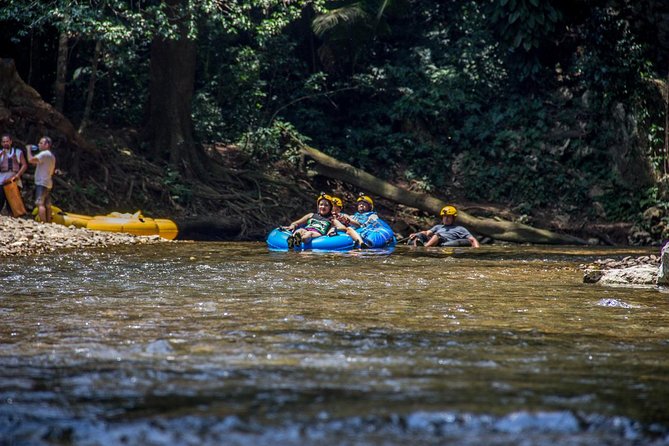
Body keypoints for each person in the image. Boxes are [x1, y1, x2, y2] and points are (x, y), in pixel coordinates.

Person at [283, 193, 348, 248]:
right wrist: (293, 225)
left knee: (309, 234)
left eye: (326, 205)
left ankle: (301, 240)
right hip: (307, 229)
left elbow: (343, 228)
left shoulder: (332, 219)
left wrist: (333, 228)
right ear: (318, 206)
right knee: (299, 230)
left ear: (330, 207)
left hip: (318, 233)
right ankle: (293, 241)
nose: (323, 207)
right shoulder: (311, 215)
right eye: (321, 204)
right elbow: (297, 223)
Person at [408, 205, 480, 248]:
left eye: (448, 217)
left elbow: (472, 239)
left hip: (445, 241)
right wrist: (416, 234)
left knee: (437, 236)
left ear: (453, 218)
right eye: (444, 216)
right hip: (433, 240)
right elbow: (427, 232)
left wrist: (477, 249)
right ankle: (417, 248)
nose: (446, 218)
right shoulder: (438, 227)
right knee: (420, 235)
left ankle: (425, 248)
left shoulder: (460, 229)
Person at [26, 136, 56, 223]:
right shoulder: (51, 155)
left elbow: (30, 160)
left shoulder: (44, 154)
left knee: (40, 203)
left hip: (41, 182)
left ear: (47, 145)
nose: (39, 145)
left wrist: (28, 149)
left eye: (41, 143)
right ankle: (48, 222)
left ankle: (43, 222)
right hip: (48, 182)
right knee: (47, 204)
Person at [0, 133, 28, 215]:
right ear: (1, 143)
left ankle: (13, 217)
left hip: (14, 180)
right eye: (4, 142)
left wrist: (18, 175)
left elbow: (24, 165)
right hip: (2, 180)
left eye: (7, 141)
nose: (5, 143)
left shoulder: (18, 152)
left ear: (11, 142)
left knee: (12, 203)